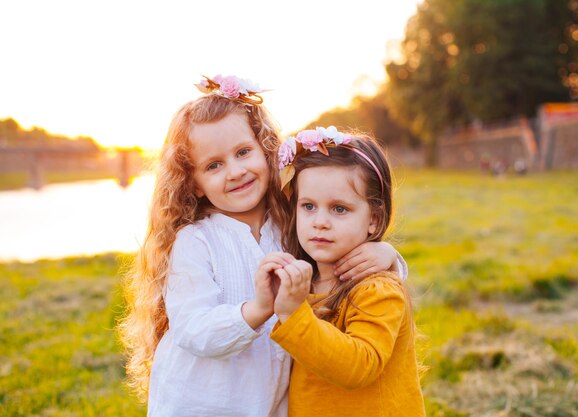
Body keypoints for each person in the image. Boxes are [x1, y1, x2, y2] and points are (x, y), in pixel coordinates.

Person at [117, 75, 407, 417]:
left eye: (243, 152)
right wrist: (258, 309)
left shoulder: (290, 223)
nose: (236, 171)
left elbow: (337, 258)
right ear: (193, 183)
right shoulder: (195, 241)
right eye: (214, 165)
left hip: (265, 403)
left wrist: (387, 255)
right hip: (200, 403)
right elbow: (194, 329)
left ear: (266, 150)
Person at [264, 128, 426, 416]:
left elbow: (359, 366)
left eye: (339, 209)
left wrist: (292, 314)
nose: (320, 222)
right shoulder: (304, 278)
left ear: (374, 220)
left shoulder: (377, 289)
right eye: (309, 206)